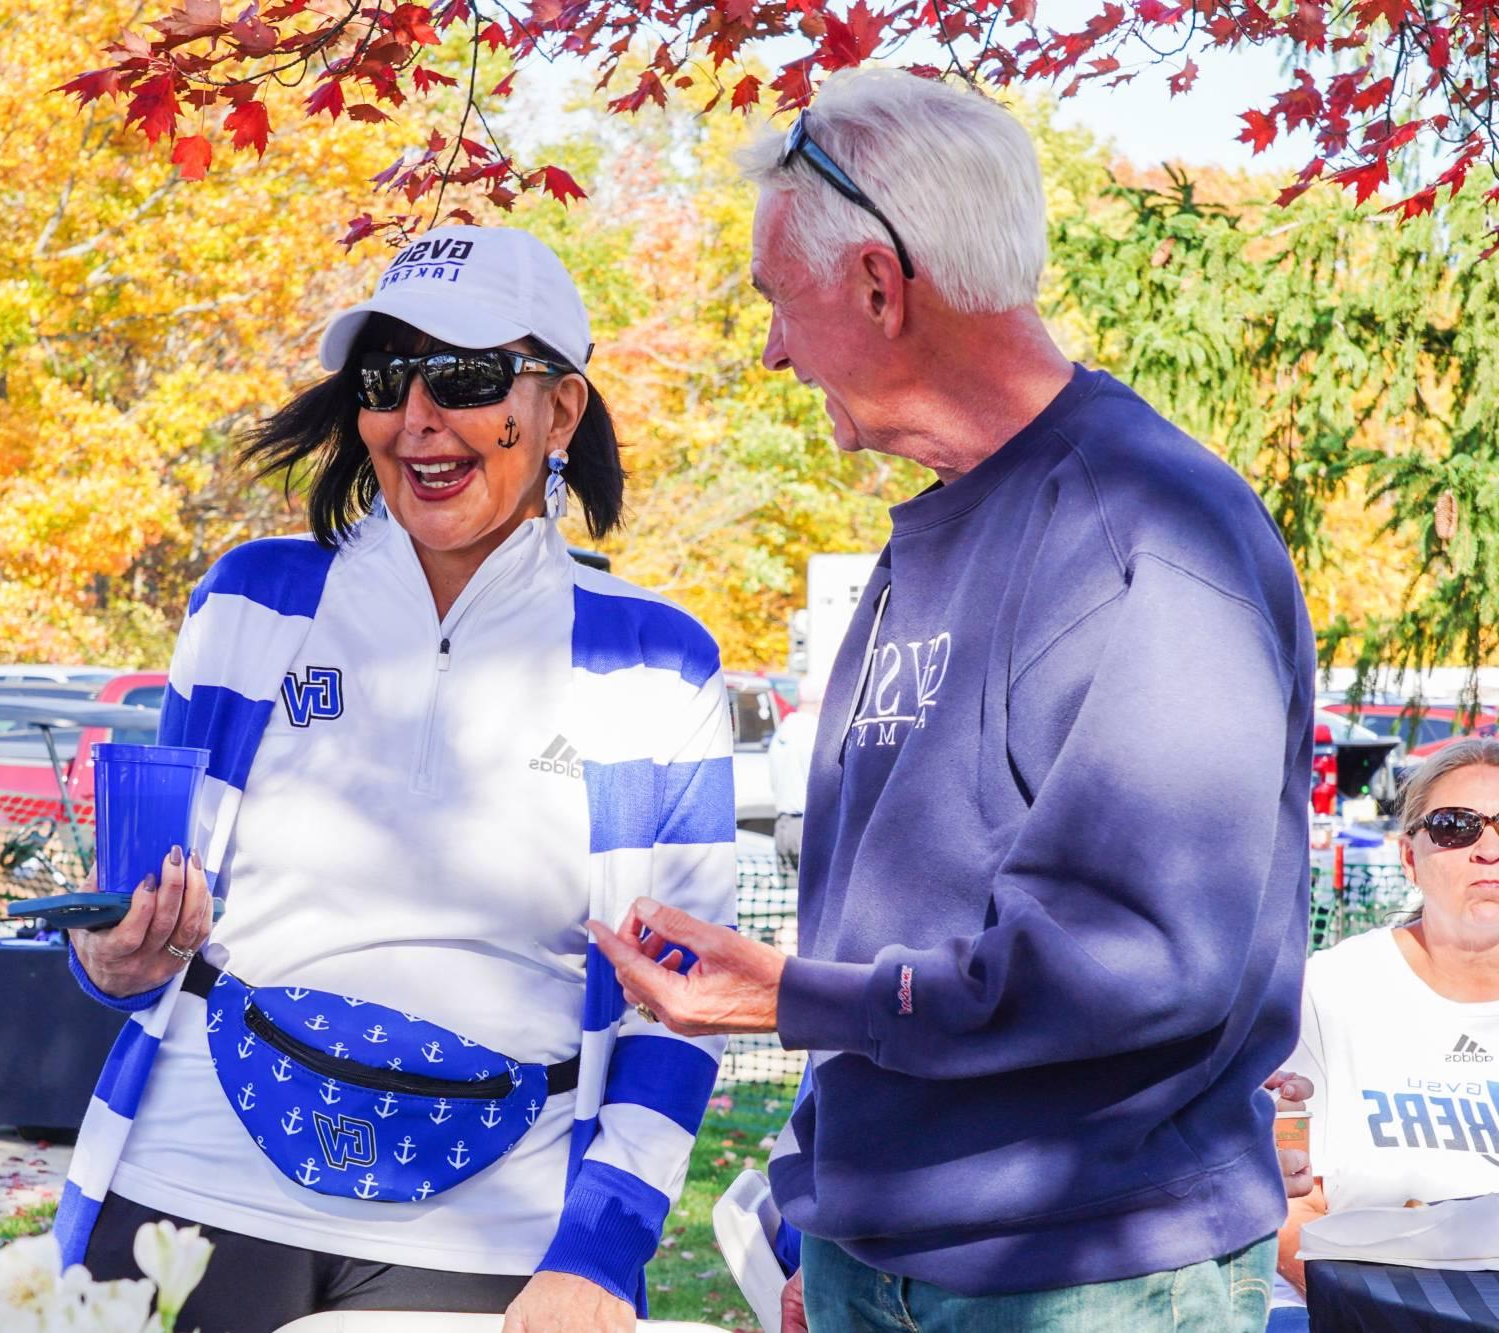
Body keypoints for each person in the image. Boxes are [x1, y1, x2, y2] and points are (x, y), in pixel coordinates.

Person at [589, 69, 1316, 1331]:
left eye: (777, 299)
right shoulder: (936, 530)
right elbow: (889, 905)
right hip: (886, 1259)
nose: (768, 345)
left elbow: (1134, 956)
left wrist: (785, 994)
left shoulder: (1141, 526)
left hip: (1086, 1276)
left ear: (877, 282)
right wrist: (828, 1206)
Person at [58, 225, 737, 1332]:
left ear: (558, 411)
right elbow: (133, 931)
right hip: (192, 1188)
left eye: (464, 376)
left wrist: (601, 1248)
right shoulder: (248, 605)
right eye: (384, 378)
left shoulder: (655, 660)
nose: (415, 417)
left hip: (490, 1233)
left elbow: (681, 1005)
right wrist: (109, 957)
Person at [1269, 738, 1499, 1328]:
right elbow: (1288, 1202)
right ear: (1408, 857)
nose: (1488, 850)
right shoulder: (1329, 992)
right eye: (1455, 827)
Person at [766, 672, 823, 867]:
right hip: (808, 828)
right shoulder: (816, 733)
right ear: (821, 701)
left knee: (787, 896)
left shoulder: (783, 730)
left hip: (783, 826)